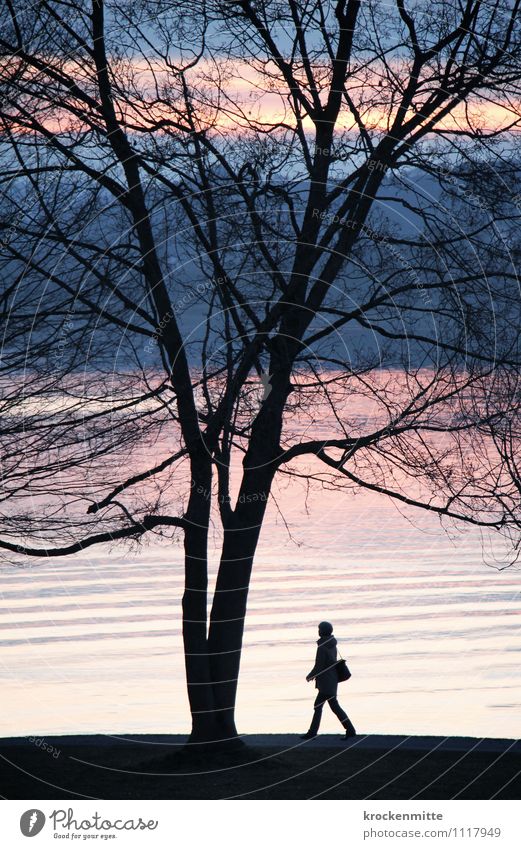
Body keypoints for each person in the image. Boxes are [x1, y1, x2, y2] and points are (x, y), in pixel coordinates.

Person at [301, 621, 356, 740]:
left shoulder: (322, 646)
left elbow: (319, 665)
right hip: (332, 679)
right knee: (334, 707)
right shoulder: (332, 644)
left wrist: (310, 676)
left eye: (319, 629)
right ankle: (350, 729)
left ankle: (312, 733)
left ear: (322, 631)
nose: (318, 631)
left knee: (318, 706)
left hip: (325, 682)